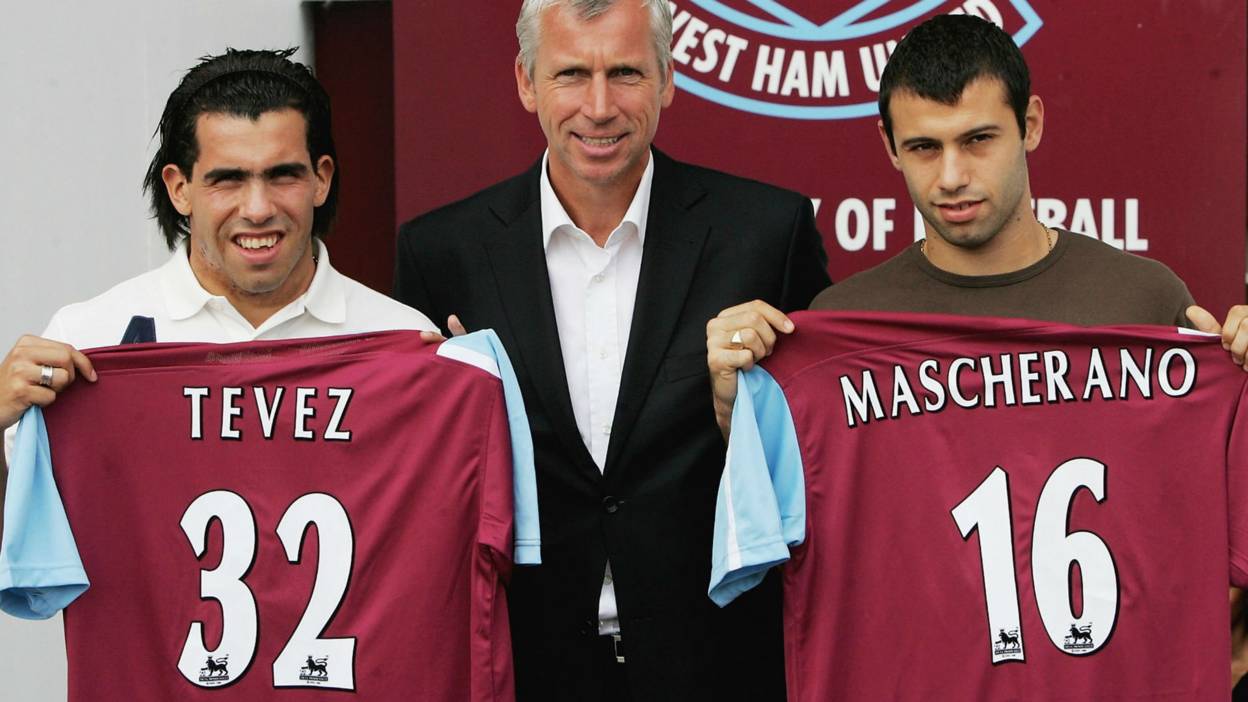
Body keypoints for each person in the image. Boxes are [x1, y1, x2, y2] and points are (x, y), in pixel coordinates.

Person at [704, 12, 1248, 693]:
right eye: (925, 147)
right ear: (889, 146)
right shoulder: (836, 331)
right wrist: (740, 408)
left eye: (979, 139)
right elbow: (770, 539)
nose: (952, 176)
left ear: (1032, 124)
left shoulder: (1142, 298)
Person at [393, 1, 829, 699]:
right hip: (527, 664)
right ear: (526, 81)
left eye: (624, 72)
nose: (599, 106)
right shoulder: (442, 252)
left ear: (667, 79)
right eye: (572, 74)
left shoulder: (766, 233)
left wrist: (730, 411)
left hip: (721, 664)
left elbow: (818, 458)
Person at [0, 48, 437, 531]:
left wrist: (457, 388)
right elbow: (22, 548)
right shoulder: (85, 339)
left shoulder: (407, 342)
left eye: (282, 175)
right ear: (179, 188)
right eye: (227, 180)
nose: (257, 208)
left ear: (321, 179)